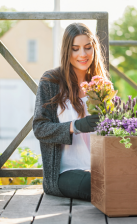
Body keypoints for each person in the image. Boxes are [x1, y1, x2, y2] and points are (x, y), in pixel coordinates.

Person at [32, 23, 110, 202]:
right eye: (75, 49)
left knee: (127, 178)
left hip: (99, 166)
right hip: (64, 173)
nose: (82, 54)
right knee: (100, 184)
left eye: (88, 48)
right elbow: (39, 128)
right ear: (67, 51)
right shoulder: (51, 81)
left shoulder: (100, 84)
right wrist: (76, 126)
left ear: (94, 50)